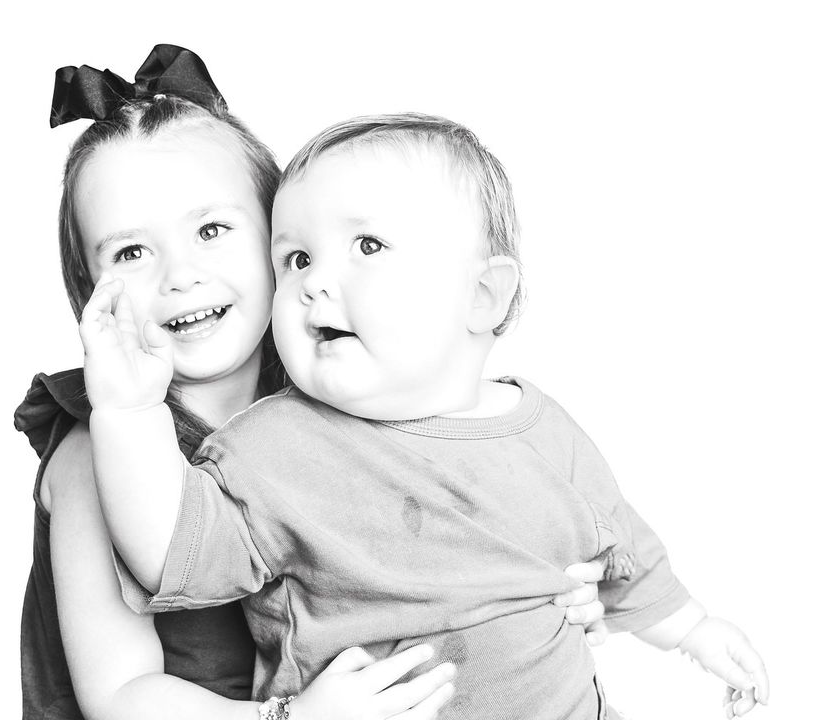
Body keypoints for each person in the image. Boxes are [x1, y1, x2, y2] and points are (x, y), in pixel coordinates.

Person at [80, 113, 771, 719]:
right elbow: (170, 548)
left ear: (482, 297)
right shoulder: (270, 448)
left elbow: (622, 545)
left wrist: (692, 630)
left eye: (367, 247)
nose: (314, 281)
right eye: (296, 258)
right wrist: (128, 410)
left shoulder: (542, 428)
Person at [18, 47, 609, 720]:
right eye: (130, 252)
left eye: (211, 230)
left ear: (283, 239)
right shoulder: (98, 452)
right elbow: (119, 696)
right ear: (90, 288)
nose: (180, 275)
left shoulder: (339, 394)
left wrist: (548, 592)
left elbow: (444, 538)